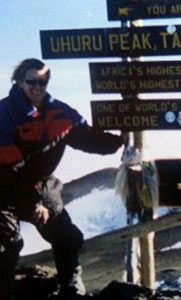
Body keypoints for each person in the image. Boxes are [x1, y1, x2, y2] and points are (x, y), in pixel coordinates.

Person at [0, 58, 123, 300]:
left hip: (40, 184)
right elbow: (11, 166)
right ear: (19, 81)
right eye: (31, 81)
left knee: (66, 236)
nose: (37, 87)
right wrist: (34, 202)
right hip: (3, 187)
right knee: (6, 246)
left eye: (43, 82)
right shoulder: (4, 114)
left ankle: (71, 291)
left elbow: (86, 138)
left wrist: (119, 141)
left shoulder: (58, 111)